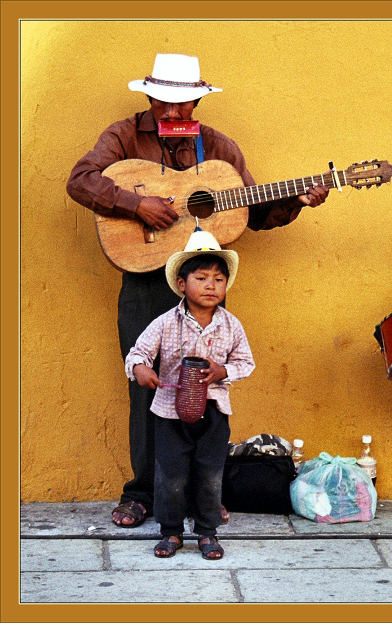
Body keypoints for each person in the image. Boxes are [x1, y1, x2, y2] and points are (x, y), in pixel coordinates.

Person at [66, 53, 329, 528]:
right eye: (164, 103)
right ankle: (143, 493)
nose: (173, 114)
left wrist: (297, 201)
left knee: (204, 390)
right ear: (148, 96)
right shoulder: (123, 135)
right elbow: (81, 181)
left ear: (197, 100)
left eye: (183, 104)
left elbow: (252, 212)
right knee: (147, 385)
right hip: (145, 280)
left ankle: (198, 496)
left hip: (204, 291)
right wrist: (136, 203)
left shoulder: (218, 147)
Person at [125, 227, 253, 559]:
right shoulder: (165, 323)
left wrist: (222, 371)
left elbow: (246, 362)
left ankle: (207, 532)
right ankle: (171, 531)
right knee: (170, 473)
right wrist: (142, 369)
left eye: (219, 279)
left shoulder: (231, 325)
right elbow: (138, 352)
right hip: (169, 412)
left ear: (227, 285)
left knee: (210, 472)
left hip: (213, 413)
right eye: (201, 277)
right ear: (182, 284)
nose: (211, 285)